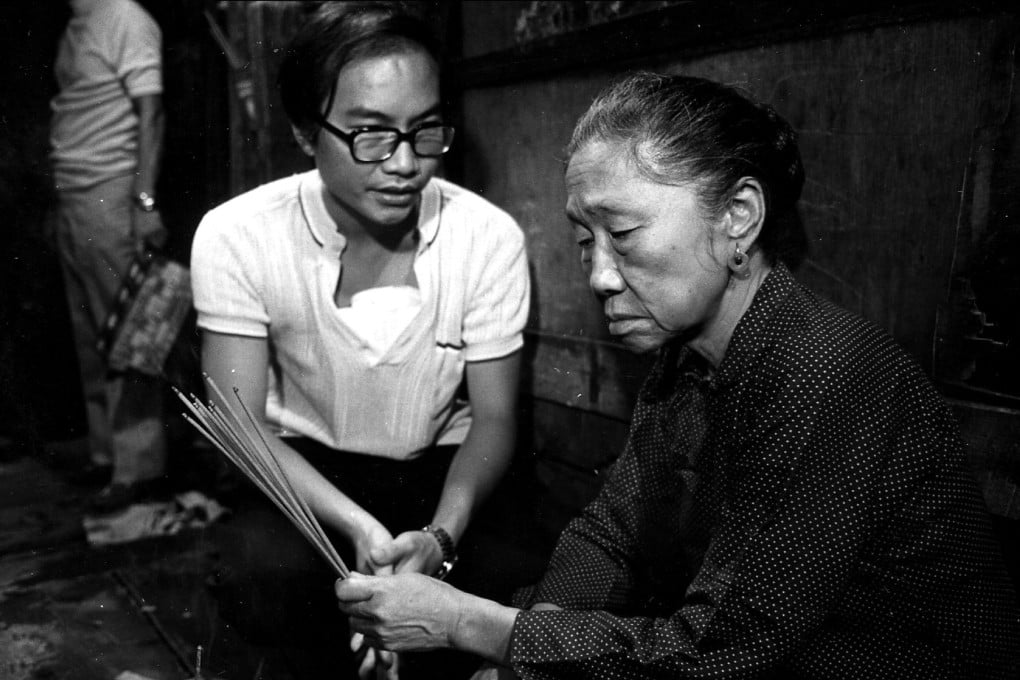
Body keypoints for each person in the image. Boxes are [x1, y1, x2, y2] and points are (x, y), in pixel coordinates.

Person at [335, 73, 1020, 679]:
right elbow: (612, 535)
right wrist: (518, 668)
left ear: (738, 218)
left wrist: (470, 625)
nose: (599, 274)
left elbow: (723, 647)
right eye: (584, 240)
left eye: (623, 234)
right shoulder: (685, 362)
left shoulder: (828, 373)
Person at [190, 2, 529, 677]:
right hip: (307, 477)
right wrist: (358, 527)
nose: (405, 163)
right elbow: (238, 421)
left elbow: (493, 419)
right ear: (303, 131)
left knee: (511, 582)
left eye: (425, 130)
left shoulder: (487, 237)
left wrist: (438, 537)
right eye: (371, 134)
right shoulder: (237, 235)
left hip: (441, 477)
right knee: (257, 579)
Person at [50, 0, 168, 511]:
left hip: (110, 192)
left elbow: (151, 114)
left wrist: (143, 202)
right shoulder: (83, 17)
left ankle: (140, 469)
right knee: (90, 337)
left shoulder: (126, 15)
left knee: (127, 335)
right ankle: (107, 457)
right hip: (74, 193)